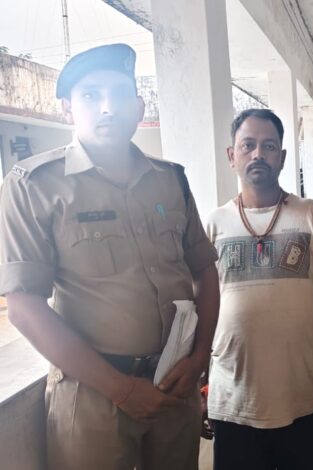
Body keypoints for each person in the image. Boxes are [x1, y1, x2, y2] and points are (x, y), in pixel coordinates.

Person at [0, 43, 220, 470]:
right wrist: (121, 389)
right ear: (67, 109)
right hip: (93, 395)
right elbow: (24, 307)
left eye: (120, 94)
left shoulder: (171, 180)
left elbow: (204, 271)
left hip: (174, 384)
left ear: (138, 108)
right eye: (90, 95)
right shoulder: (34, 186)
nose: (107, 107)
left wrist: (198, 359)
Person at [204, 108, 313, 470]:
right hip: (234, 400)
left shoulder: (312, 215)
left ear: (282, 157)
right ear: (231, 155)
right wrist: (200, 384)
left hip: (304, 397)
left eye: (269, 146)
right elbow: (199, 307)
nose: (258, 154)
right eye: (248, 145)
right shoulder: (214, 224)